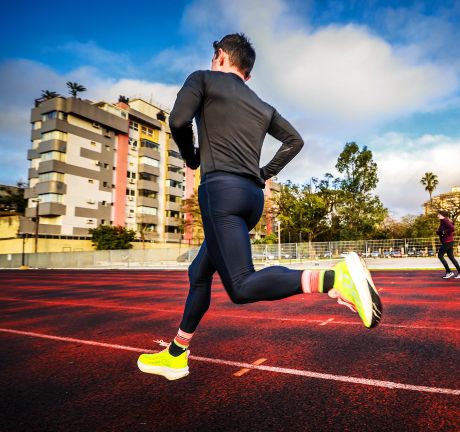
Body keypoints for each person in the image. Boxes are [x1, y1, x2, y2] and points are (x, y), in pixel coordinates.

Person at [137, 34, 382, 380]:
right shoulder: (262, 106)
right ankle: (177, 353)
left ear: (220, 56)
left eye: (214, 57)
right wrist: (264, 173)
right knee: (199, 273)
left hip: (220, 192)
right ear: (247, 74)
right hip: (252, 198)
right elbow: (295, 140)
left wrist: (192, 158)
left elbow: (178, 122)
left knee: (241, 286)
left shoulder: (202, 79)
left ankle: (334, 278)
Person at [436, 211, 460, 279]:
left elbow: (452, 228)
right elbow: (450, 226)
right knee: (451, 257)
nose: (437, 215)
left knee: (440, 255)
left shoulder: (444, 220)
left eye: (438, 214)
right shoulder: (444, 220)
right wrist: (439, 232)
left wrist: (443, 232)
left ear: (442, 215)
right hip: (449, 241)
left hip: (447, 241)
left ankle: (449, 272)